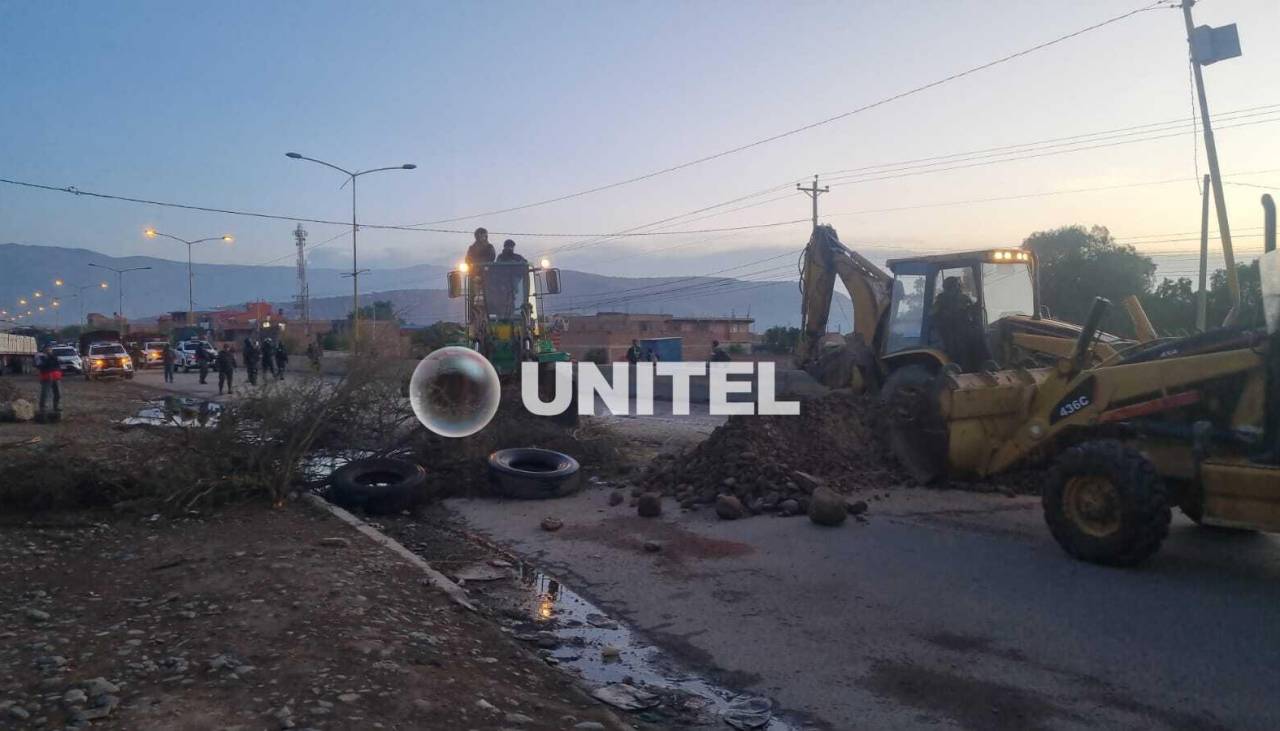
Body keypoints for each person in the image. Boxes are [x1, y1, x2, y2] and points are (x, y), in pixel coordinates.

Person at [931, 276, 988, 372]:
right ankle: (967, 368)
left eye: (957, 285)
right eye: (955, 285)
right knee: (969, 341)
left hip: (962, 329)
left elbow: (972, 311)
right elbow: (934, 316)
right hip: (949, 332)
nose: (958, 287)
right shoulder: (941, 300)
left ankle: (986, 364)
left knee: (980, 336)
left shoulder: (964, 298)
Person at [36, 344, 62, 415]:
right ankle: (43, 407)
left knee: (58, 393)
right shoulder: (41, 357)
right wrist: (47, 359)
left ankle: (56, 406)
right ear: (44, 350)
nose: (49, 350)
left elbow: (58, 364)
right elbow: (40, 366)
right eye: (47, 349)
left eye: (50, 349)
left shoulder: (54, 357)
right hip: (46, 377)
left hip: (55, 377)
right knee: (45, 393)